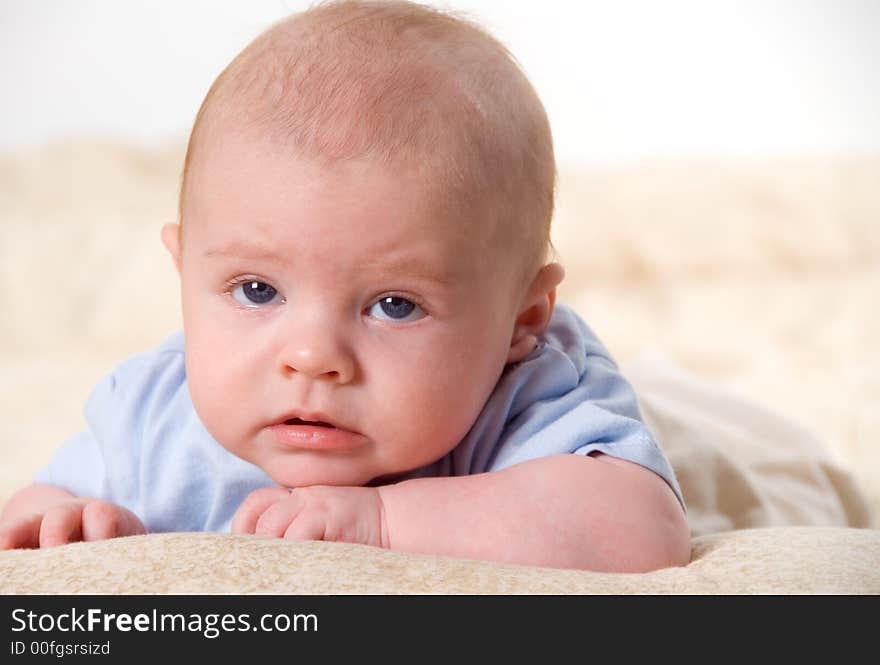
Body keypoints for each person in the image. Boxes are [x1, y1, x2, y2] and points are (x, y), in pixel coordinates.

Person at [0, 0, 689, 571]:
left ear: (522, 319)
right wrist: (63, 522)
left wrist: (383, 519)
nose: (311, 356)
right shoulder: (153, 414)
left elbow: (641, 529)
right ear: (185, 273)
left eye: (395, 304)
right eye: (257, 290)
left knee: (694, 422)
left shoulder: (527, 394)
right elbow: (35, 506)